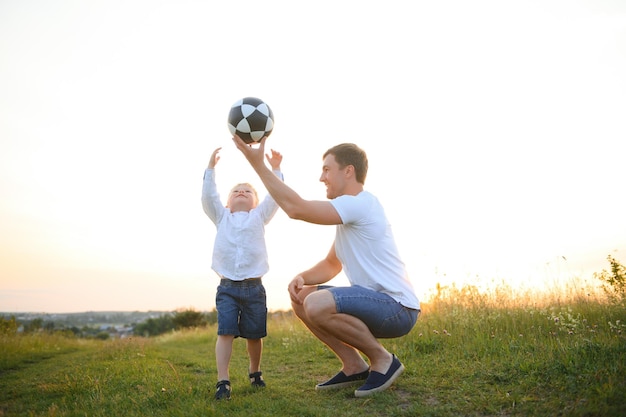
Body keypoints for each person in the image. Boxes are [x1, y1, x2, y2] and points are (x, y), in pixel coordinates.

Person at [232, 136, 420, 398]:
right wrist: (303, 277)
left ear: (348, 171)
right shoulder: (349, 217)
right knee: (303, 297)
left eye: (327, 169)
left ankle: (383, 360)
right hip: (376, 303)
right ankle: (354, 364)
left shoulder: (361, 204)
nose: (322, 178)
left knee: (317, 303)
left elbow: (296, 209)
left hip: (397, 308)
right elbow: (332, 263)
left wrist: (258, 166)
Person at [201, 146, 284, 400]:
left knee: (254, 334)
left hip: (254, 287)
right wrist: (210, 169)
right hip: (227, 287)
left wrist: (276, 169)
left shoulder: (259, 216)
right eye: (236, 191)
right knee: (225, 332)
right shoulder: (221, 216)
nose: (241, 192)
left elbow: (276, 196)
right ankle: (223, 380)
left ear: (256, 202)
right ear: (227, 202)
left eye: (247, 191)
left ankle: (255, 371)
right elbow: (208, 197)